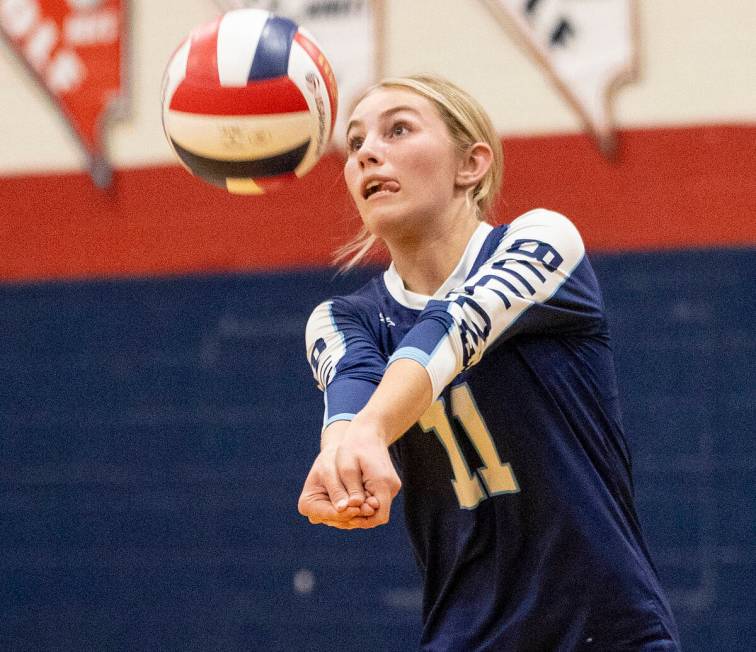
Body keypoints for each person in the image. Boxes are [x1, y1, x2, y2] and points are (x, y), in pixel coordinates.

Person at [298, 74, 681, 651]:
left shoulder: (543, 242)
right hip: (465, 637)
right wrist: (340, 460)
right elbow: (351, 393)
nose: (367, 152)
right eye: (354, 144)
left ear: (471, 164)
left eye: (398, 128)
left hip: (606, 634)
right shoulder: (341, 319)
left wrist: (369, 432)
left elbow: (455, 325)